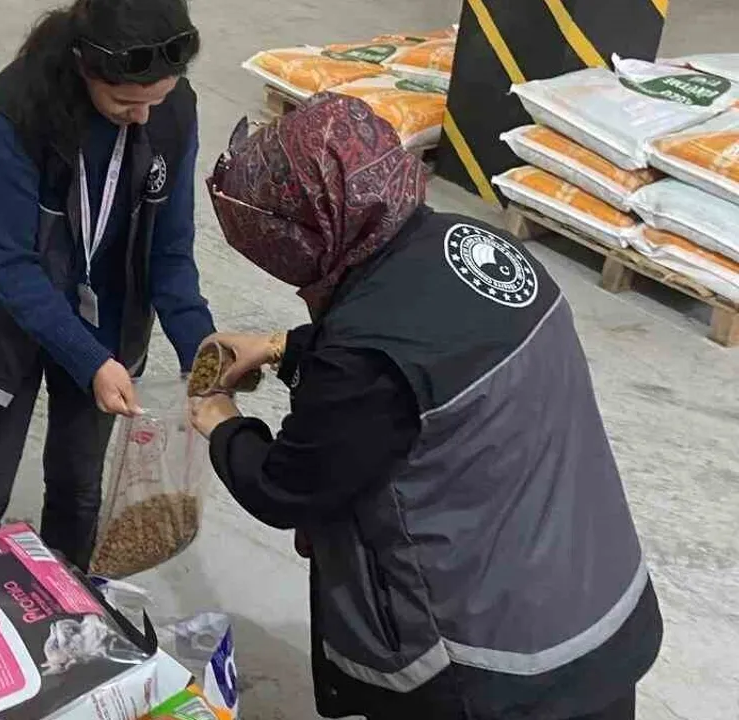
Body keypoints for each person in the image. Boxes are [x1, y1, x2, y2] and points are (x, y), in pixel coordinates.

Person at [188, 95, 662, 720]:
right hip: (598, 602)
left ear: (306, 233)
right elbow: (427, 367)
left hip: (500, 667)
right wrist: (287, 347)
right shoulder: (475, 245)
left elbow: (287, 487)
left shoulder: (365, 355)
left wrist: (223, 421)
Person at [0, 0, 214, 571]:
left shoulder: (172, 110)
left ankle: (70, 602)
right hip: (2, 314)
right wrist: (90, 361)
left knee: (79, 488)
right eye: (125, 103)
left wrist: (204, 355)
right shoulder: (16, 112)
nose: (143, 118)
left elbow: (171, 251)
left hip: (106, 314)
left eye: (156, 101)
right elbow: (12, 267)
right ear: (85, 66)